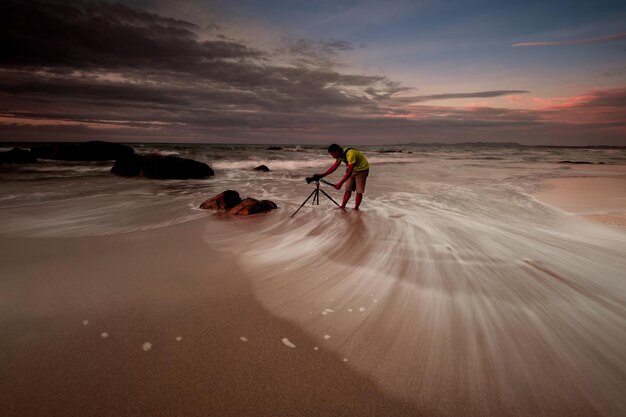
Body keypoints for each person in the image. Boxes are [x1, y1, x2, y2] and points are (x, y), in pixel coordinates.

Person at [313, 144, 369, 210]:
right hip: (353, 169)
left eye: (333, 155)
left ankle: (356, 209)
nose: (333, 157)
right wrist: (322, 175)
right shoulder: (340, 156)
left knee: (359, 191)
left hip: (362, 170)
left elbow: (349, 172)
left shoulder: (350, 154)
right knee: (348, 189)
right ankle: (342, 207)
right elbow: (334, 167)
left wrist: (340, 183)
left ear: (337, 152)